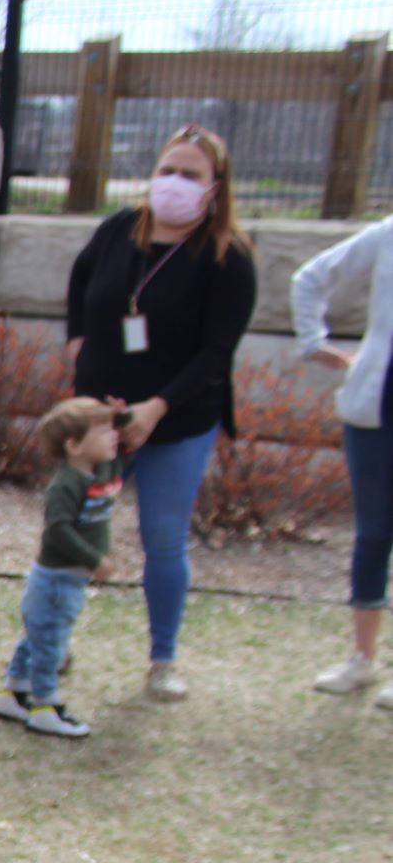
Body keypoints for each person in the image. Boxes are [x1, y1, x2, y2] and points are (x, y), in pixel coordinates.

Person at [64, 124, 258, 702]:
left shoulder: (228, 257)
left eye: (190, 175)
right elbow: (81, 281)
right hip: (99, 414)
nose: (174, 183)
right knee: (73, 530)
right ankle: (50, 638)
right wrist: (77, 345)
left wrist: (156, 407)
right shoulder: (120, 228)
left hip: (177, 419)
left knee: (163, 538)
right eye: (167, 170)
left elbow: (217, 352)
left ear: (215, 187)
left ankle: (162, 658)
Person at [291, 211, 393, 709]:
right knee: (373, 534)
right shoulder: (387, 235)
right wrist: (314, 343)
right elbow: (310, 277)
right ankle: (362, 658)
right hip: (375, 409)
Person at [0, 400, 127, 739]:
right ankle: (44, 706)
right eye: (104, 430)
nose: (114, 436)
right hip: (56, 580)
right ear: (74, 445)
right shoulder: (66, 484)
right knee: (49, 643)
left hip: (68, 580)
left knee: (36, 638)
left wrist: (119, 417)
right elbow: (59, 530)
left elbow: (124, 441)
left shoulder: (101, 472)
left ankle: (13, 693)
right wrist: (94, 560)